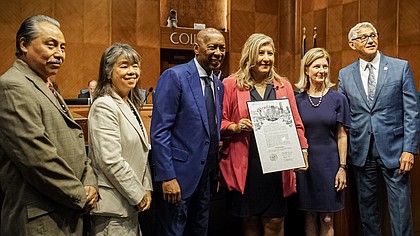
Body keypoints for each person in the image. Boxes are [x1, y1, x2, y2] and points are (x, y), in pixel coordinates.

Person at [0, 15, 98, 235]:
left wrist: (91, 182)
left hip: (64, 212)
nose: (60, 54)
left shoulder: (45, 85)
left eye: (63, 47)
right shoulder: (12, 86)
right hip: (40, 219)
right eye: (51, 45)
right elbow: (37, 158)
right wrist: (81, 194)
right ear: (24, 44)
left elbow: (76, 140)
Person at [219, 33, 308, 236]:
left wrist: (303, 149)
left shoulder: (283, 85)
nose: (266, 58)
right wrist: (235, 126)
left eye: (270, 53)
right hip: (247, 164)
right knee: (250, 221)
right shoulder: (231, 84)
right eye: (261, 52)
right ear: (250, 55)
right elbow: (220, 121)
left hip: (277, 164)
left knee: (275, 221)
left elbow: (296, 122)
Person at [338, 22, 420, 236]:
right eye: (363, 37)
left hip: (395, 152)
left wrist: (409, 149)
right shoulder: (345, 75)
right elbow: (344, 116)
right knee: (367, 212)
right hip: (361, 153)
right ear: (352, 44)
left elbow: (412, 112)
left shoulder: (400, 67)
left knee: (401, 212)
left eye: (373, 35)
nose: (370, 40)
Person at [150, 28, 226, 236]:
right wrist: (167, 177)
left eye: (222, 48)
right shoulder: (175, 77)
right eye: (212, 47)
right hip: (178, 178)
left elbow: (211, 131)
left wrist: (215, 172)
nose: (218, 53)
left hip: (206, 178)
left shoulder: (218, 85)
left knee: (199, 231)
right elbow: (160, 131)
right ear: (196, 48)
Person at [88, 43, 153, 235]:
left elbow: (142, 151)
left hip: (129, 206)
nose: (132, 71)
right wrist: (137, 193)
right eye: (124, 66)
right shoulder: (104, 105)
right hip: (113, 209)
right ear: (108, 72)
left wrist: (146, 187)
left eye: (135, 66)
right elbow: (110, 160)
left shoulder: (130, 103)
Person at [295, 47, 350, 236]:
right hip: (305, 164)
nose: (322, 70)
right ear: (306, 70)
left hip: (330, 164)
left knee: (327, 217)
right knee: (309, 215)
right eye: (316, 66)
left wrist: (342, 167)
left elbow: (342, 135)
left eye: (325, 66)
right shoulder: (297, 99)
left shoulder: (338, 99)